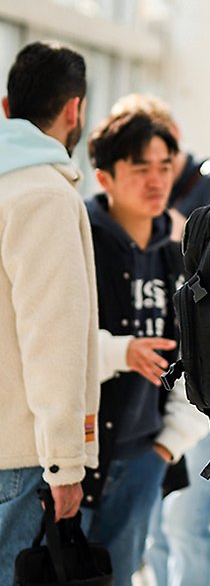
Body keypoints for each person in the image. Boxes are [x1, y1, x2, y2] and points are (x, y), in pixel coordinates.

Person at [108, 93, 210, 586]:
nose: (150, 173)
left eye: (155, 158)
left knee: (188, 527)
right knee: (155, 534)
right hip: (162, 387)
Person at [82, 110, 207, 586]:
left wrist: (165, 447)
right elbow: (49, 346)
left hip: (143, 458)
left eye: (163, 166)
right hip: (74, 459)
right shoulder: (80, 243)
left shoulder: (175, 257)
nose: (156, 180)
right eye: (140, 168)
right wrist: (120, 353)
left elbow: (193, 361)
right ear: (104, 177)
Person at [0, 40, 100, 586]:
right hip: (16, 459)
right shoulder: (43, 195)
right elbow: (52, 337)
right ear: (74, 110)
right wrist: (65, 463)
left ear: (5, 107)